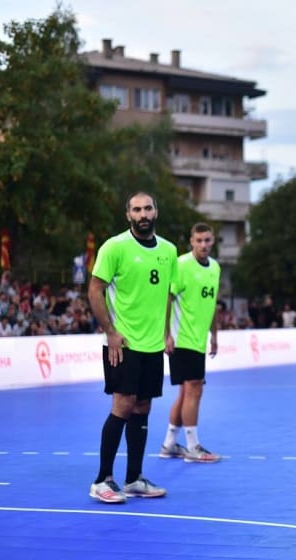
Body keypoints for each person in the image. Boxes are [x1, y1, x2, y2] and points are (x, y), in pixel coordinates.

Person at [87, 191, 178, 503]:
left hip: (153, 346)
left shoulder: (169, 250)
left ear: (156, 211)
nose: (143, 214)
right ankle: (102, 480)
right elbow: (95, 290)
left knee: (143, 407)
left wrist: (166, 333)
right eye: (136, 209)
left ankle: (134, 479)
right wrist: (110, 332)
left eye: (148, 208)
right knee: (123, 406)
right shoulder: (114, 247)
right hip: (123, 344)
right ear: (128, 215)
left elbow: (166, 295)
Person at [159, 223, 221, 463]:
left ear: (213, 241)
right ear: (192, 242)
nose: (203, 245)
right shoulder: (182, 264)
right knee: (195, 389)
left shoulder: (215, 267)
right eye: (199, 240)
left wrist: (214, 335)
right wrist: (166, 334)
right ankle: (193, 447)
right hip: (181, 338)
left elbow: (212, 303)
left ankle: (169, 444)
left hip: (198, 340)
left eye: (207, 240)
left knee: (187, 391)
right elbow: (167, 298)